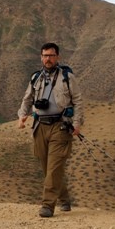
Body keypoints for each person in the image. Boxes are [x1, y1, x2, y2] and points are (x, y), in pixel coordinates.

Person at [17, 42, 84, 217]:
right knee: (47, 168)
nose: (48, 59)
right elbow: (27, 99)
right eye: (45, 56)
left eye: (51, 55)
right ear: (41, 57)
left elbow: (78, 101)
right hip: (40, 126)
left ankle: (47, 206)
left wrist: (77, 123)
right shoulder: (36, 78)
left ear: (57, 57)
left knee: (54, 167)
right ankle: (64, 199)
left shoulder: (67, 77)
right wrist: (22, 116)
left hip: (61, 126)